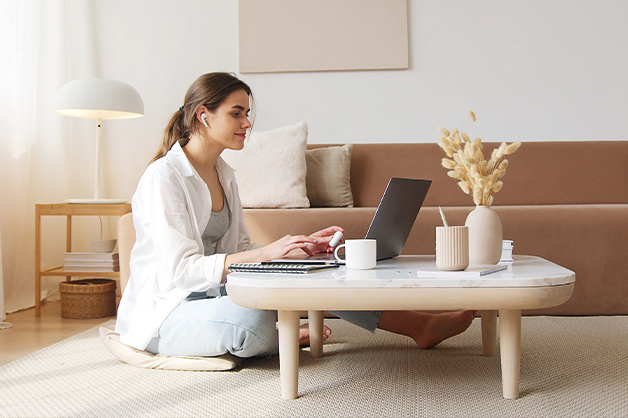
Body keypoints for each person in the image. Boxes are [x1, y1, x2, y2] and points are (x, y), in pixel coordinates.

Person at [115, 72, 475, 359]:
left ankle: (419, 326)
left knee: (320, 274)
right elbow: (182, 270)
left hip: (216, 294)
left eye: (247, 113)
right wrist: (266, 254)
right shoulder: (165, 177)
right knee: (251, 318)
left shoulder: (225, 173)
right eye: (236, 113)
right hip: (167, 311)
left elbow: (240, 247)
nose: (247, 122)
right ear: (203, 115)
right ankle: (278, 335)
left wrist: (295, 251)